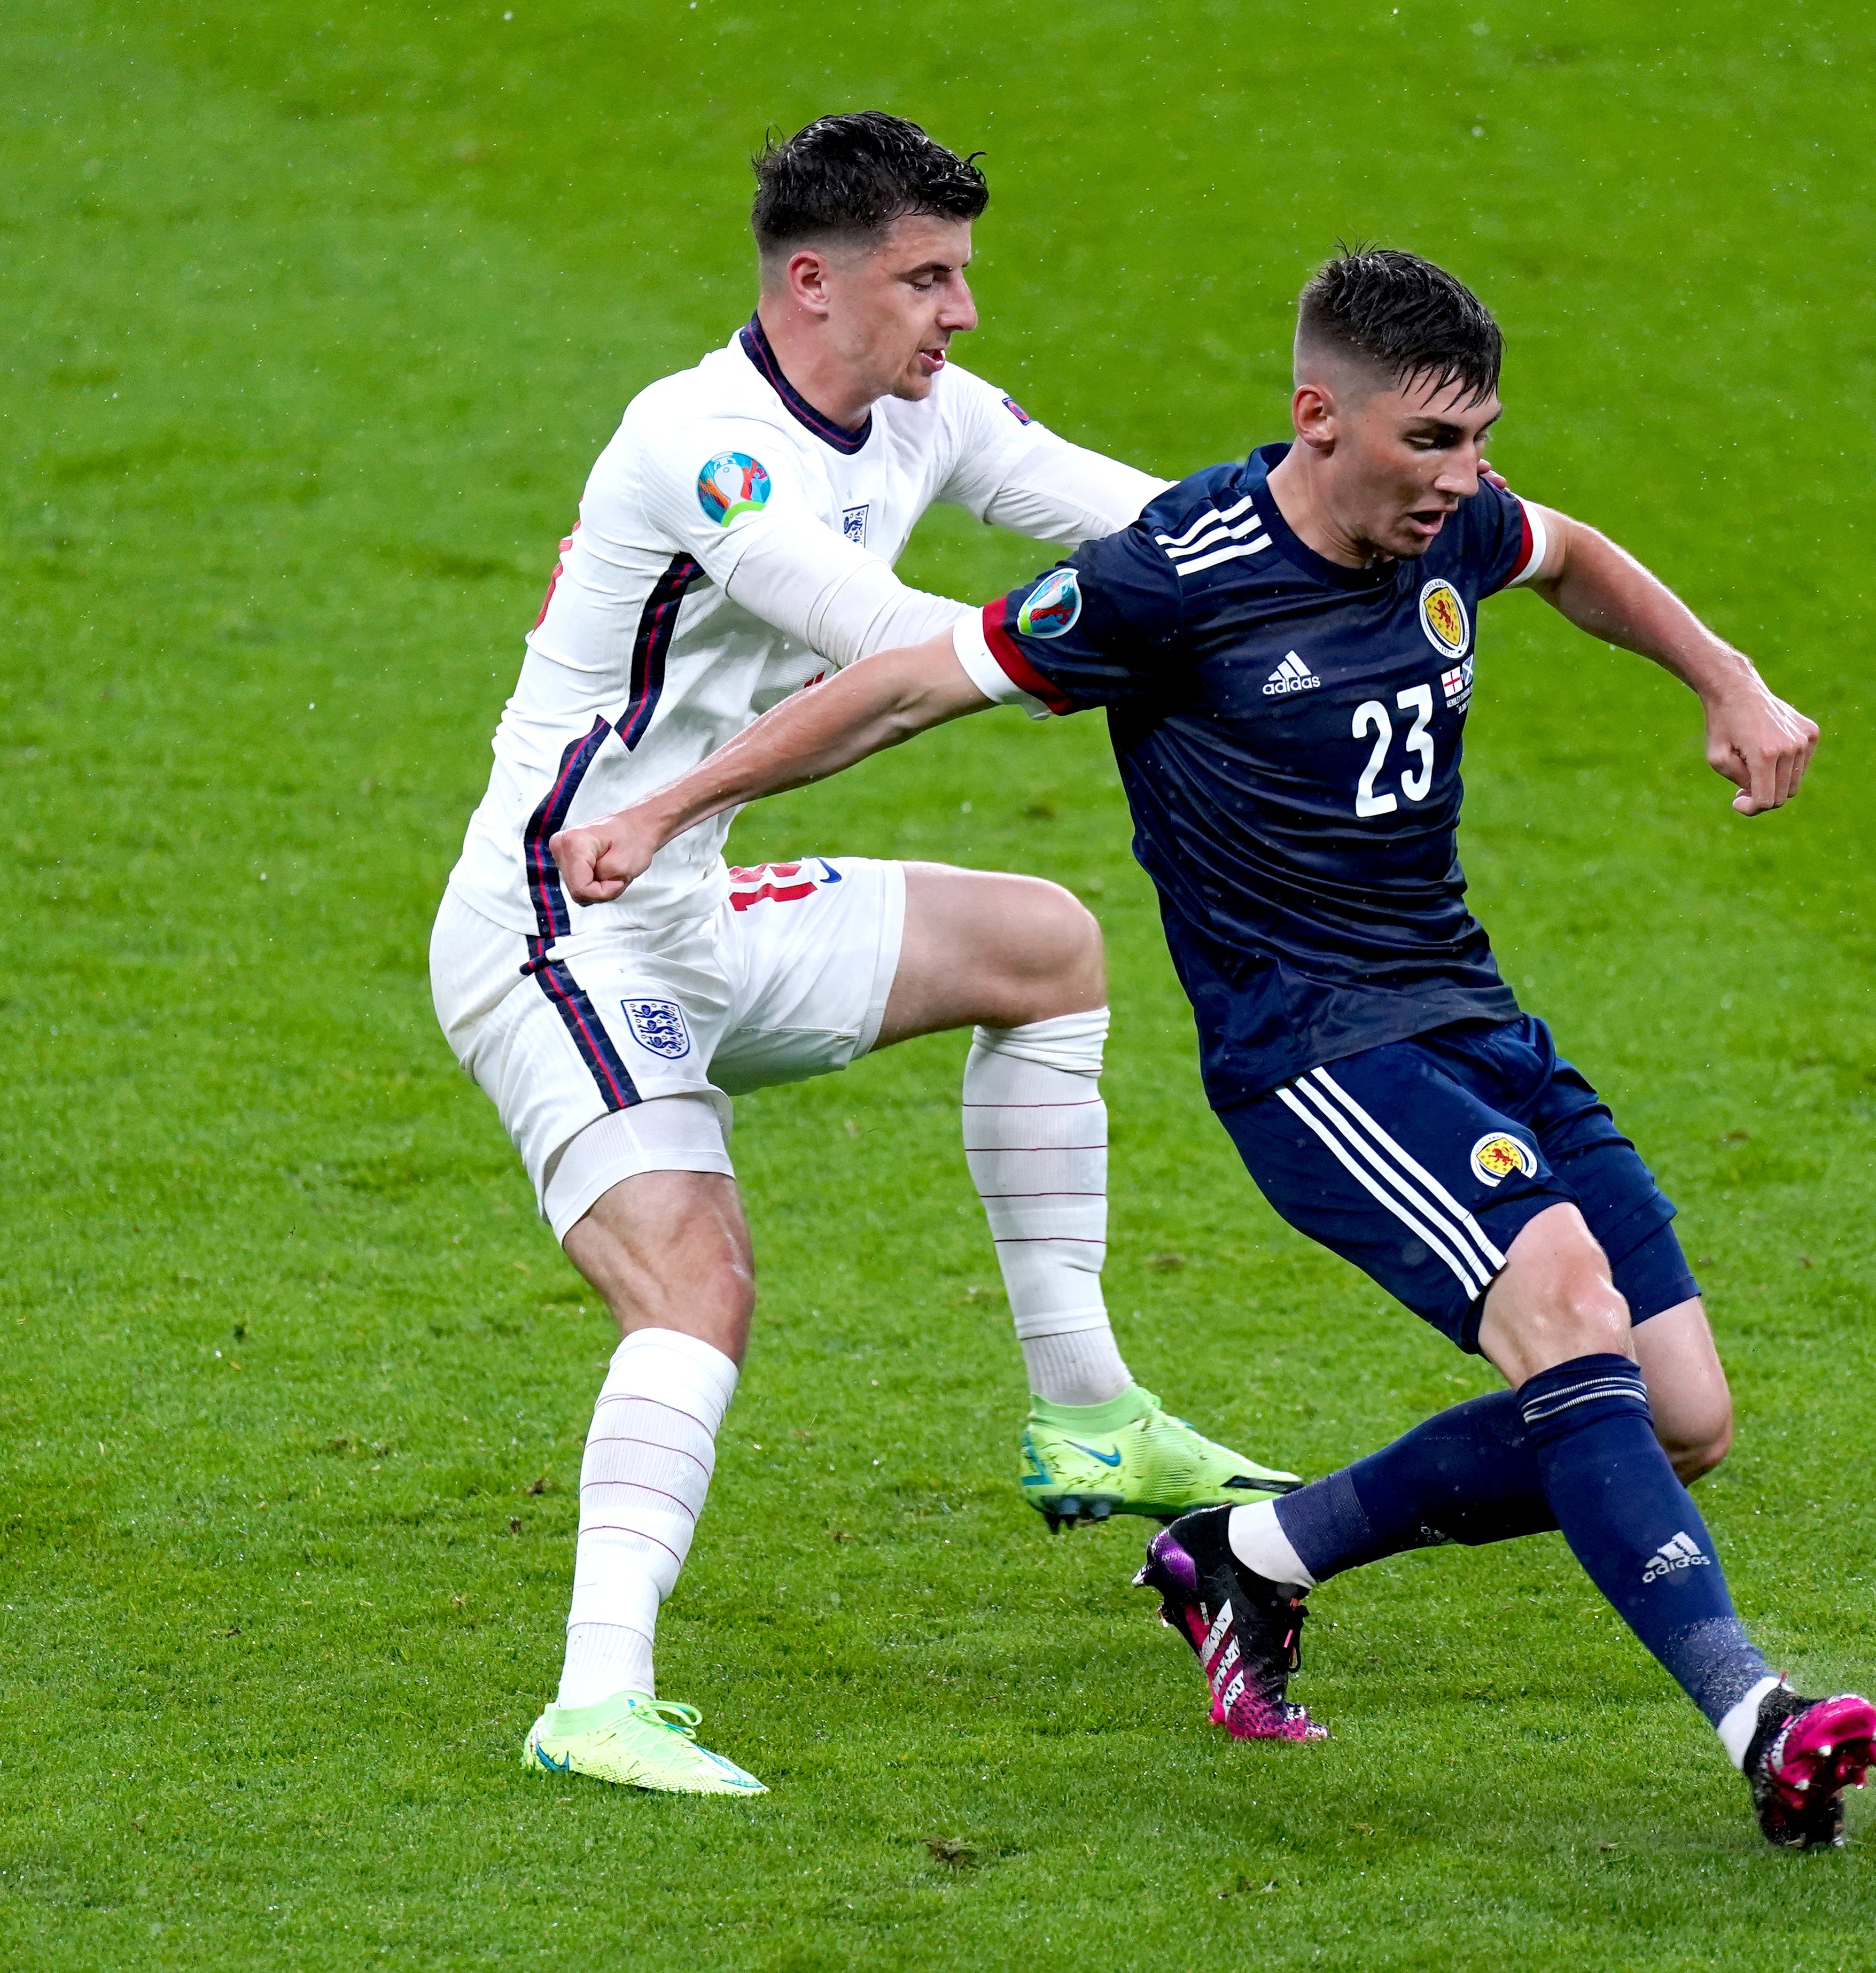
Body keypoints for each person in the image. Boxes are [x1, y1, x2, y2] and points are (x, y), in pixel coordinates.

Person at [547, 248, 1876, 1846]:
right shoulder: (1171, 578)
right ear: (1320, 417)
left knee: (1680, 1417)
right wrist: (666, 807)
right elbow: (910, 686)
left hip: (1470, 1012)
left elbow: (1571, 552)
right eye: (1431, 445)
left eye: (1477, 440)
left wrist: (1723, 676)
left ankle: (1258, 1554)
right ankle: (1758, 1712)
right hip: (1315, 1053)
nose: (1468, 481)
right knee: (1570, 1317)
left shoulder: (1454, 517)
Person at [431, 112, 1295, 1798]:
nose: (961, 311)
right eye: (929, 277)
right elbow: (874, 635)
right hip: (560, 928)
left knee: (1043, 947)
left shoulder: (925, 412)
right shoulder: (701, 441)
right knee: (701, 1282)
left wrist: (1325, 533)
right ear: (813, 283)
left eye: (962, 273)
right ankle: (593, 1697)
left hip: (691, 902)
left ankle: (1090, 1412)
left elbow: (1146, 525)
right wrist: (1111, 640)